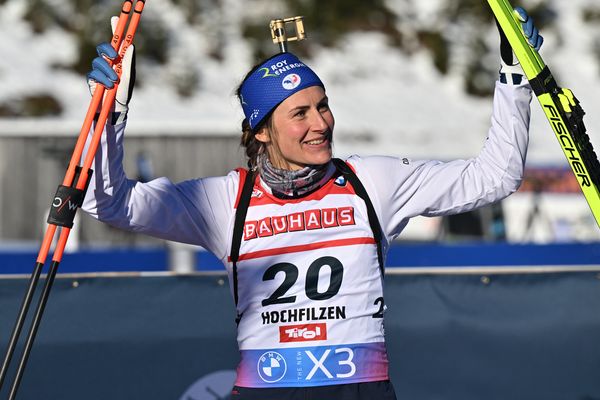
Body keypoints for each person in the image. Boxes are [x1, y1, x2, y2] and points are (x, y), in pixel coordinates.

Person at [82, 8, 543, 400]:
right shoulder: (227, 200)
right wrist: (109, 116)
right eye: (299, 113)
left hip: (358, 388)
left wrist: (513, 75)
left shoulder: (371, 181)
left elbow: (494, 176)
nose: (320, 123)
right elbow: (107, 202)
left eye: (322, 106)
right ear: (261, 130)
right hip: (267, 389)